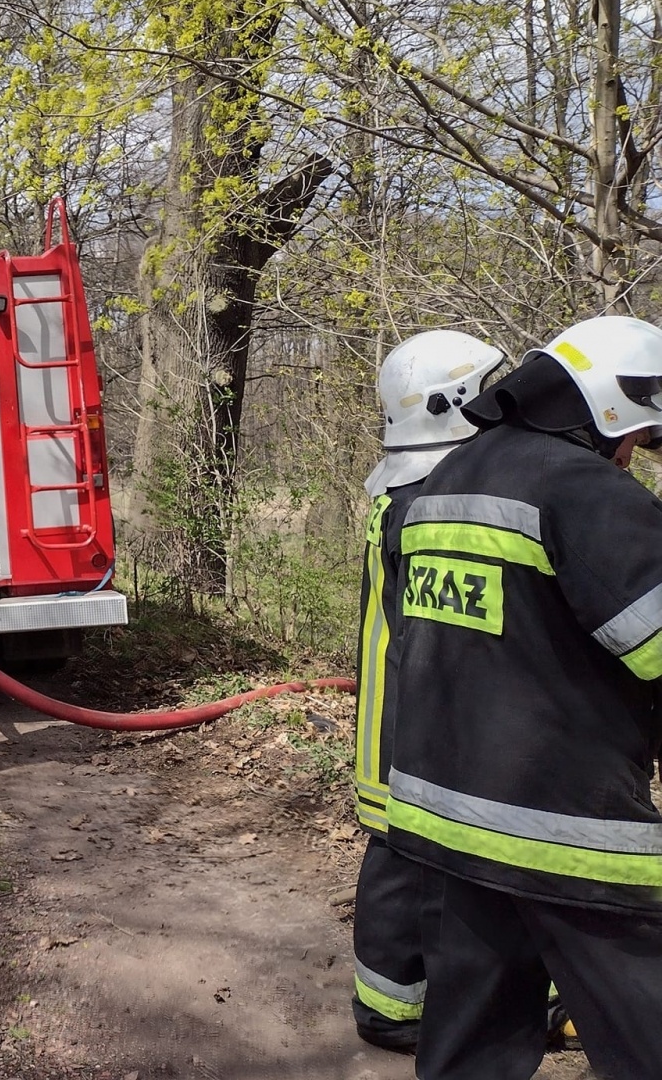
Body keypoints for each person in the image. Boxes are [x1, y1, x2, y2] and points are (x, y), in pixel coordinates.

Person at [385, 316, 662, 1079]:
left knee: (472, 1036)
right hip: (565, 826)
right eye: (639, 436)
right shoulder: (584, 489)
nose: (635, 457)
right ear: (610, 411)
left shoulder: (447, 477)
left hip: (447, 816)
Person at [350, 330, 504, 1052]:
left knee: (402, 854)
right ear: (457, 405)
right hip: (411, 711)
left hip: (400, 705)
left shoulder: (402, 485)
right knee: (403, 855)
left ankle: (395, 1003)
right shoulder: (429, 495)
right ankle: (390, 1009)